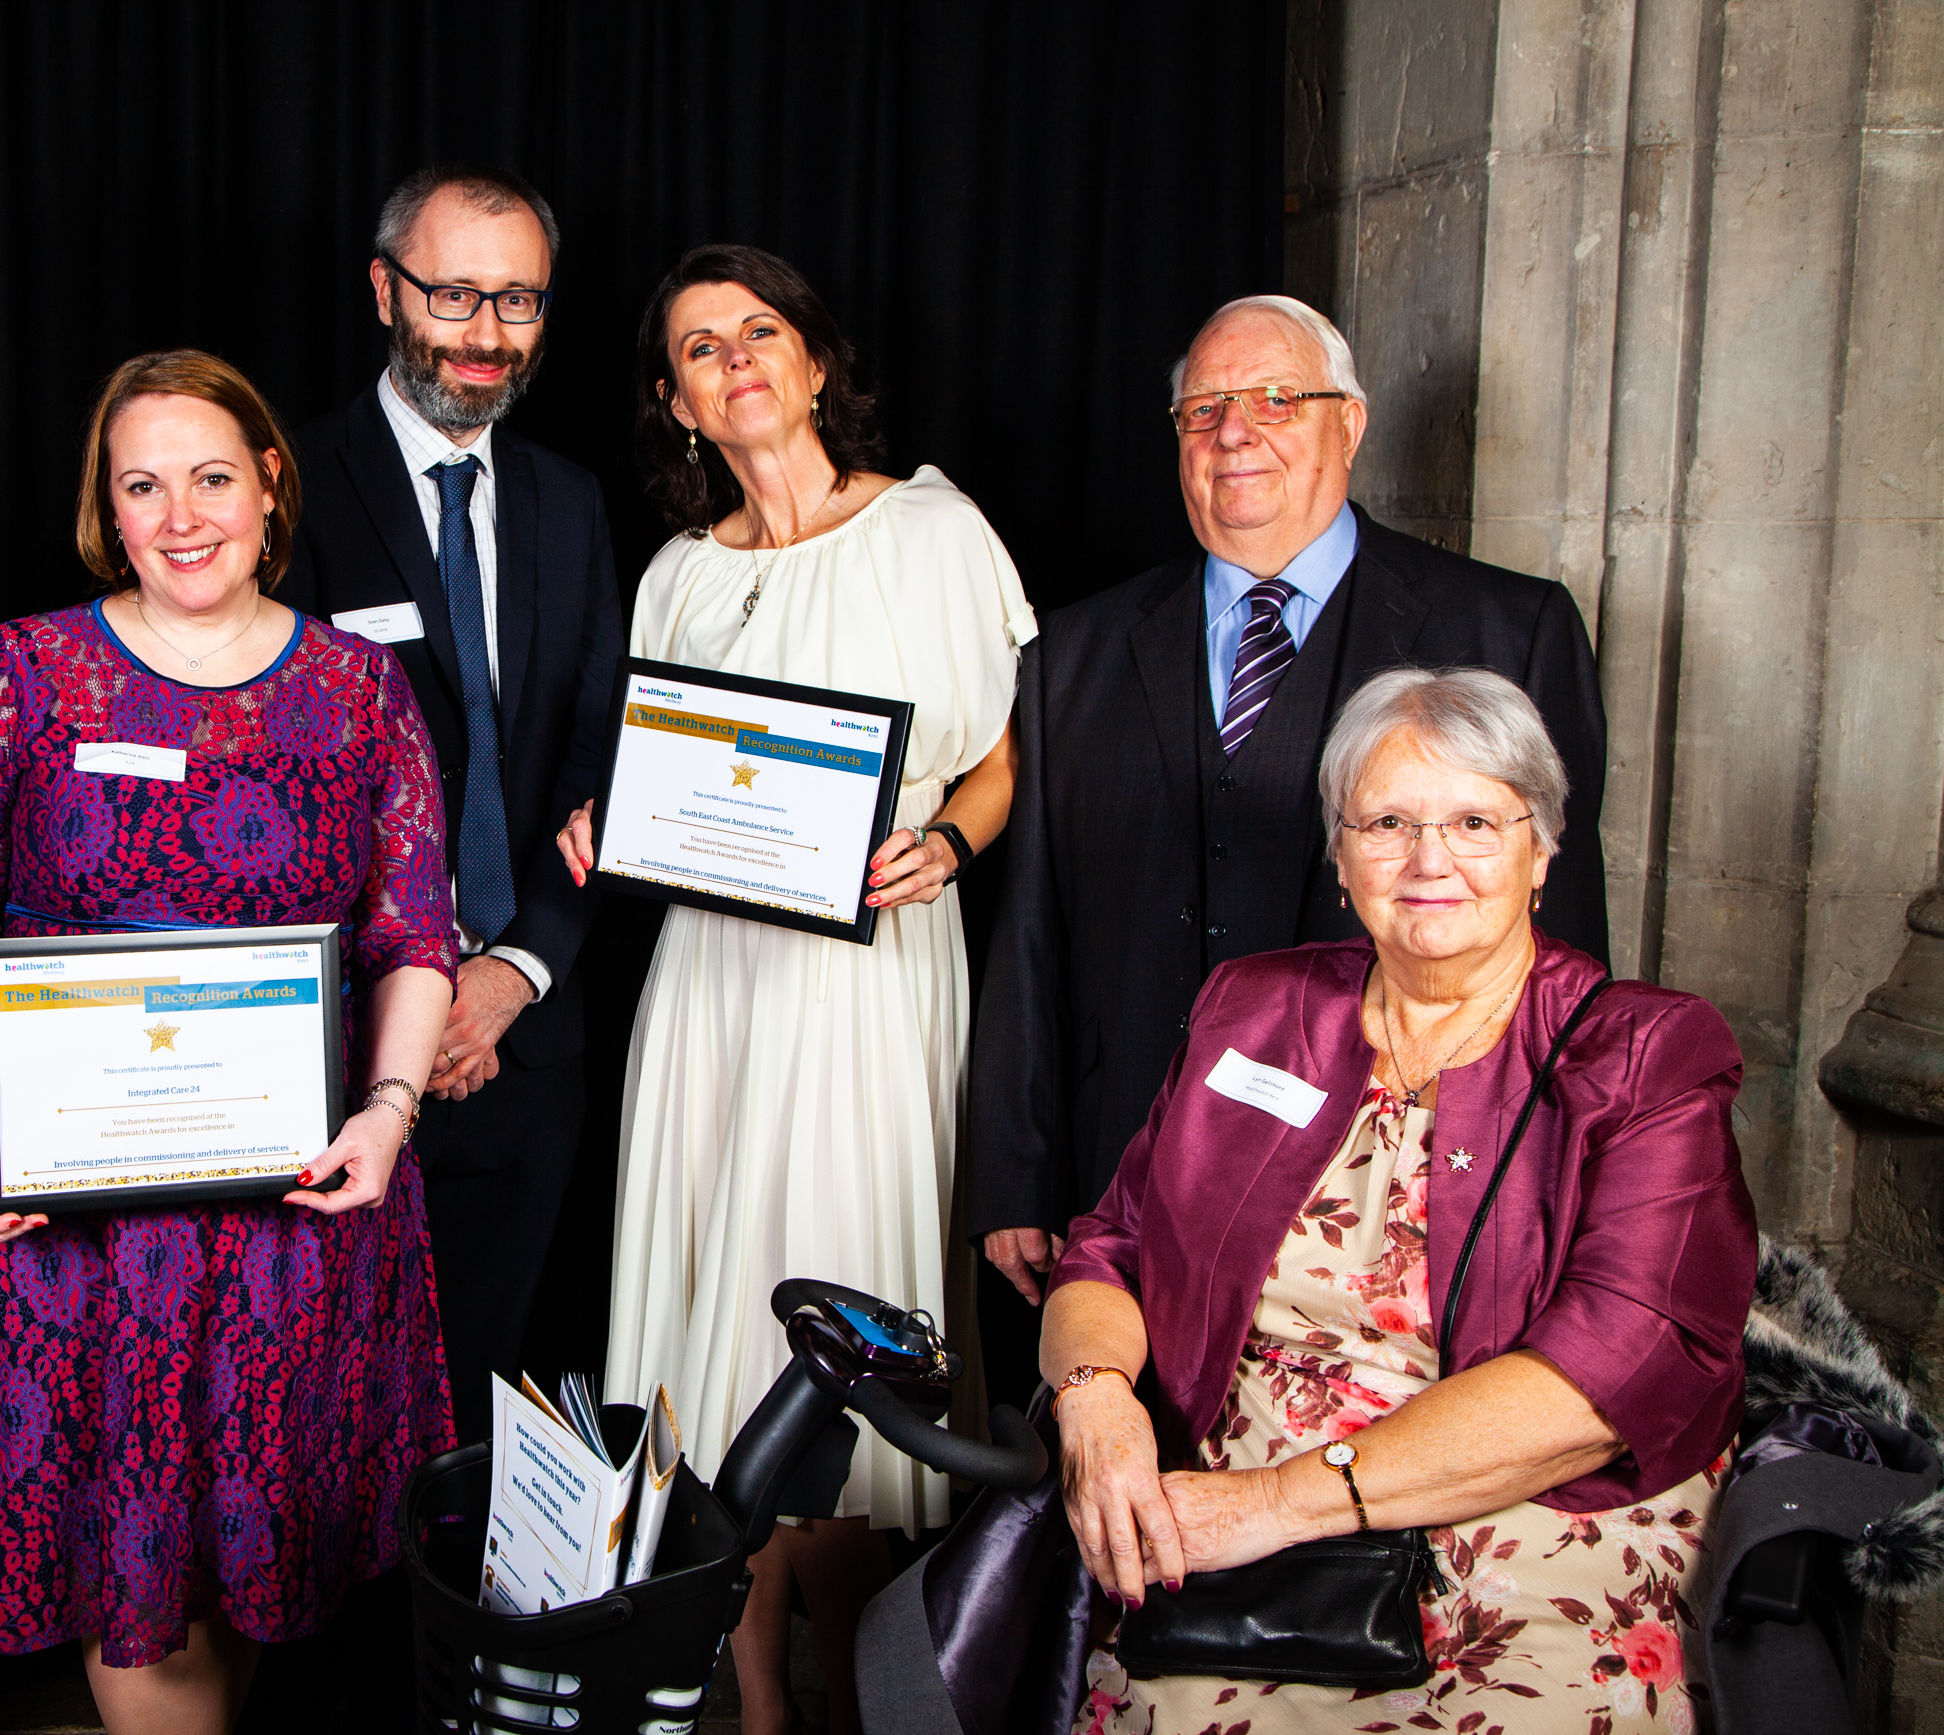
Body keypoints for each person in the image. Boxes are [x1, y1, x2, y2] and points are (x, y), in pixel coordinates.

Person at [0, 349, 456, 1735]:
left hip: (296, 1212)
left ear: (269, 483)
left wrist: (389, 1106)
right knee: (136, 1607)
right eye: (143, 484)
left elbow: (418, 939)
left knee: (236, 1588)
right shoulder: (27, 670)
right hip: (72, 1228)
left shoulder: (361, 686)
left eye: (210, 475)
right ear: (108, 507)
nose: (180, 513)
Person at [1045, 666, 1751, 1732]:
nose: (1429, 860)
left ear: (1541, 848)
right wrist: (1094, 1400)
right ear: (1340, 855)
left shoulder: (1647, 1051)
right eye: (1386, 821)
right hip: (1228, 1525)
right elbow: (1111, 1249)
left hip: (1524, 1510)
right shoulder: (1253, 1007)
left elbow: (1608, 1374)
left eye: (1474, 819)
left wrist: (1273, 1506)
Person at [558, 244, 1037, 1735]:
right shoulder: (681, 575)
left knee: (845, 1341)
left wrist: (952, 838)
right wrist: (601, 819)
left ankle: (868, 1696)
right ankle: (751, 1701)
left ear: (818, 360)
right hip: (710, 989)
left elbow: (1010, 747)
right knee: (708, 1350)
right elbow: (657, 770)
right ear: (674, 400)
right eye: (700, 347)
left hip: (872, 980)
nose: (737, 359)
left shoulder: (935, 528)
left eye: (761, 330)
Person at [966, 295, 1611, 1309]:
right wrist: (1012, 1170)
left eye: (1277, 398)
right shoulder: (1070, 653)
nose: (1234, 431)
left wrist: (1537, 1188)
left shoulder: (1509, 628)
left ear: (1347, 423)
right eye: (1204, 408)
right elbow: (1030, 930)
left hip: (1393, 1189)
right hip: (1118, 1175)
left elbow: (1559, 942)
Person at [287, 166, 625, 1445]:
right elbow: (267, 777)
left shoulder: (570, 502)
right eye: (454, 294)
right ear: (385, 291)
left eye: (518, 300)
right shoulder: (284, 482)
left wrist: (515, 970)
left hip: (527, 1041)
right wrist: (421, 987)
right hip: (342, 1035)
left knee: (488, 1409)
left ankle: (464, 1653)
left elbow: (599, 762)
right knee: (323, 1407)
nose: (485, 334)